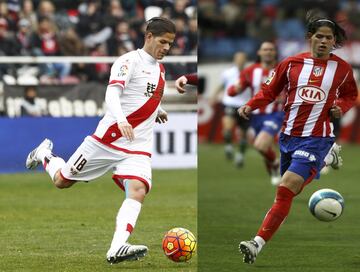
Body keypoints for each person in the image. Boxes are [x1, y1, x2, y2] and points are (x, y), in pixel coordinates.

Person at [26, 17, 177, 264]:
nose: (167, 48)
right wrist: (121, 120)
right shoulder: (128, 61)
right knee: (62, 181)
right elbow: (113, 93)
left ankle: (117, 247)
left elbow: (144, 95)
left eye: (170, 44)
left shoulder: (160, 69)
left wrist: (157, 110)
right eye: (163, 42)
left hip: (137, 145)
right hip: (108, 139)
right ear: (148, 36)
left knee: (138, 189)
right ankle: (44, 154)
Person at [238, 12, 358, 264]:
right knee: (289, 192)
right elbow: (269, 90)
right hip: (288, 137)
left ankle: (256, 244)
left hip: (316, 136)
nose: (324, 41)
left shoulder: (342, 69)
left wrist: (341, 107)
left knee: (285, 189)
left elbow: (350, 95)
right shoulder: (291, 63)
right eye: (320, 36)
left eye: (329, 38)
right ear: (309, 37)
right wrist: (250, 105)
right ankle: (327, 159)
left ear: (334, 41)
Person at [229, 42, 282, 184]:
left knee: (260, 145)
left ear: (275, 52)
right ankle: (275, 167)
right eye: (265, 49)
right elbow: (232, 91)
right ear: (259, 52)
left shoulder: (281, 69)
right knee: (264, 148)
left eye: (271, 49)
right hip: (256, 115)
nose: (268, 52)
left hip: (275, 114)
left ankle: (277, 164)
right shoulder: (250, 71)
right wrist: (235, 89)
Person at [211, 52, 251, 166]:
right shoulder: (227, 73)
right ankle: (228, 147)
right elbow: (221, 85)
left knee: (243, 134)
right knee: (227, 130)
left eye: (242, 59)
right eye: (238, 59)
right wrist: (214, 96)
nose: (240, 61)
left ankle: (240, 156)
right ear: (234, 60)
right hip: (230, 103)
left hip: (245, 106)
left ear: (245, 60)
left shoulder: (250, 73)